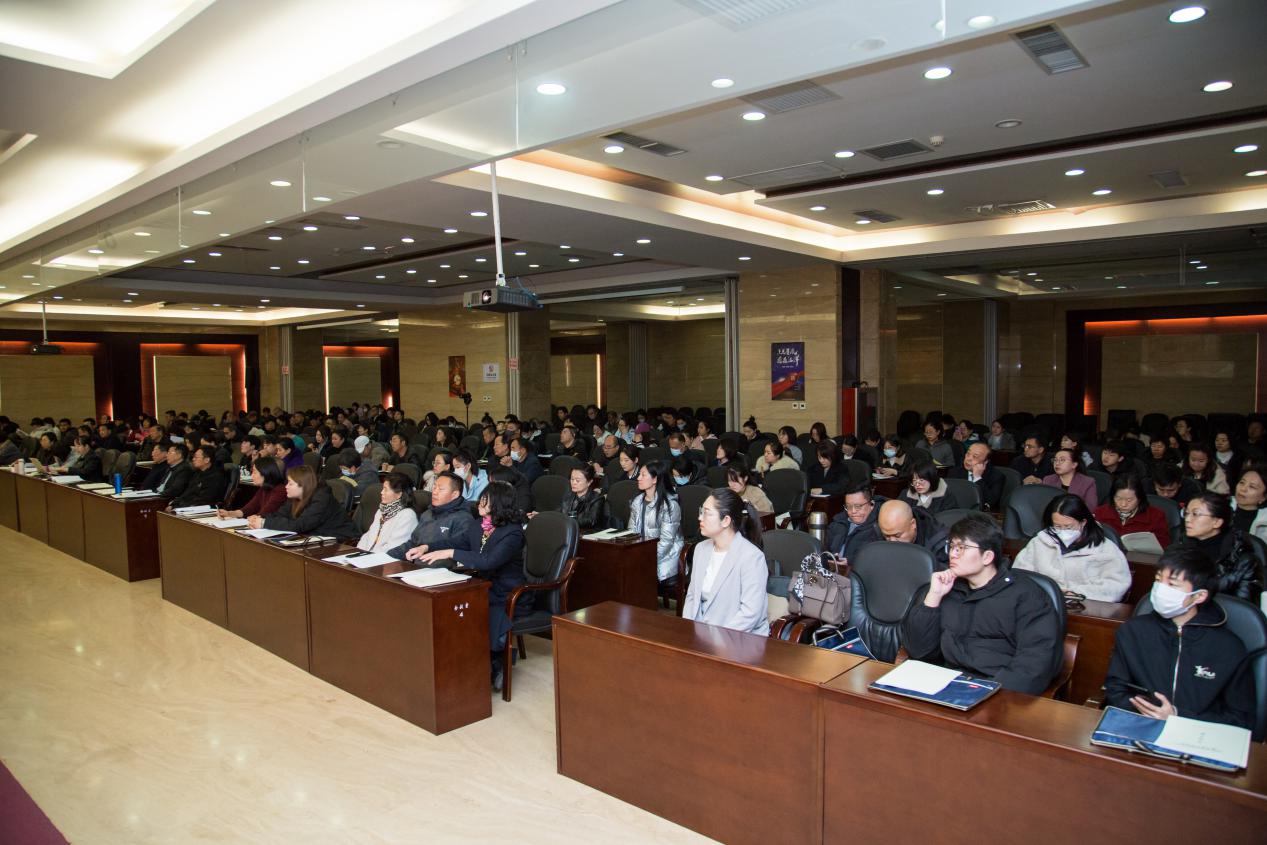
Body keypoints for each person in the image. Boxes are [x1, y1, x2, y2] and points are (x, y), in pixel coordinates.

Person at [902, 513, 1062, 695]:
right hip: (946, 685)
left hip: (998, 691)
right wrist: (934, 597)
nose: (952, 554)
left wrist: (989, 693)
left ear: (987, 557)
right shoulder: (948, 590)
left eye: (961, 548)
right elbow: (919, 652)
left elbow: (1035, 664)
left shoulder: (1026, 595)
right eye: (952, 547)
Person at [1103, 547, 1254, 728]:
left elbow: (1240, 717)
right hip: (1140, 725)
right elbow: (1116, 688)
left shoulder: (1229, 647)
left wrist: (1177, 716)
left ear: (1199, 596)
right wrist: (1146, 711)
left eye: (1172, 584)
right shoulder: (1133, 631)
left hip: (1200, 733)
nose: (1160, 589)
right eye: (1158, 580)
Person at [415, 481, 528, 692]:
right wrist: (427, 546)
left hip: (507, 592)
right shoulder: (479, 525)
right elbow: (456, 542)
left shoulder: (512, 533)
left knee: (474, 608)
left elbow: (489, 561)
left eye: (485, 500)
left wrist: (451, 553)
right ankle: (470, 661)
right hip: (484, 586)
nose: (480, 503)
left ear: (499, 503)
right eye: (481, 498)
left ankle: (496, 660)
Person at [681, 488, 769, 635]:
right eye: (701, 511)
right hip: (701, 635)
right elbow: (692, 596)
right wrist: (689, 630)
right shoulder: (701, 549)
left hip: (738, 637)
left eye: (707, 513)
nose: (700, 518)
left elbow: (750, 613)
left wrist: (716, 639)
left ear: (726, 520)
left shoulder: (752, 557)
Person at [1013, 494, 1130, 602]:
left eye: (1068, 527)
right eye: (1057, 526)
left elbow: (1116, 586)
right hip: (1042, 603)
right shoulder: (1039, 542)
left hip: (1085, 607)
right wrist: (1048, 592)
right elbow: (1020, 575)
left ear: (1083, 522)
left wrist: (1074, 593)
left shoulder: (1105, 548)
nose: (1063, 531)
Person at [1176, 492, 1264, 604]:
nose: (1187, 519)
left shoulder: (1245, 561)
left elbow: (1243, 609)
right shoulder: (1182, 545)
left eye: (1195, 514)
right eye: (1186, 513)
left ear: (1217, 522)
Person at [248, 465, 356, 539]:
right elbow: (280, 514)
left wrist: (264, 523)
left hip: (342, 541)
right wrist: (260, 518)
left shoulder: (322, 498)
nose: (286, 487)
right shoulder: (294, 497)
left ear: (303, 485)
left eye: (290, 484)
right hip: (316, 538)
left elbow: (300, 525)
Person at [388, 472, 477, 560]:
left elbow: (460, 547)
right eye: (434, 487)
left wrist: (427, 548)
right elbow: (413, 543)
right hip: (417, 563)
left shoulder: (463, 518)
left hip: (441, 565)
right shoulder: (427, 514)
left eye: (440, 489)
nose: (434, 492)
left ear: (454, 494)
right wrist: (387, 556)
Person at [628, 460, 683, 587]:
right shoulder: (637, 501)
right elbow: (631, 532)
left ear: (655, 479)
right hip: (642, 554)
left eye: (643, 475)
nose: (638, 478)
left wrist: (645, 558)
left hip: (665, 558)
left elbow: (666, 541)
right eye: (639, 474)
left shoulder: (670, 505)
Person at [1094, 474, 1171, 550]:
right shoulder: (1100, 512)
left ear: (1139, 498)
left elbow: (1163, 546)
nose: (1123, 504)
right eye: (1118, 498)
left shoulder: (1156, 516)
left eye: (1129, 500)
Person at [875, 499, 949, 570]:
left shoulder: (938, 542)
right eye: (887, 536)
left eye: (897, 535)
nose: (892, 541)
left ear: (913, 524)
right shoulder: (879, 531)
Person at [356, 472, 420, 553]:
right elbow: (368, 536)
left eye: (386, 489)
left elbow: (394, 547)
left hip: (385, 558)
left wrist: (369, 556)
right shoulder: (382, 510)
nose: (381, 492)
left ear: (399, 494)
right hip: (368, 556)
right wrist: (358, 552)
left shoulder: (407, 515)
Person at [824, 482, 886, 561]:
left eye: (858, 506)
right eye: (849, 506)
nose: (853, 511)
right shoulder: (838, 523)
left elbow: (876, 558)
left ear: (871, 504)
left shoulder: (879, 528)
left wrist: (850, 562)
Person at [217, 457, 286, 519]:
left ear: (266, 473)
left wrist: (254, 518)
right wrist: (229, 513)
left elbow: (264, 514)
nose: (252, 475)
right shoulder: (264, 488)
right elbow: (249, 509)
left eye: (254, 472)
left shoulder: (280, 491)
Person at [949, 443, 1004, 510]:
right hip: (958, 511)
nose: (968, 459)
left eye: (975, 456)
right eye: (968, 454)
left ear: (985, 462)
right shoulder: (955, 472)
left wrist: (977, 478)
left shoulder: (996, 476)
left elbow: (990, 502)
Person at [554, 465, 607, 530]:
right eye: (572, 479)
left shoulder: (597, 498)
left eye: (577, 480)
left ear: (589, 482)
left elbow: (591, 521)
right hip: (568, 530)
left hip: (587, 533)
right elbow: (557, 513)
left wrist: (567, 521)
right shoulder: (568, 495)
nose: (574, 483)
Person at [1230, 466, 1267, 542]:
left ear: (1264, 497)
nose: (1243, 489)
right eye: (1242, 482)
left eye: (1252, 487)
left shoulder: (1264, 523)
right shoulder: (1223, 505)